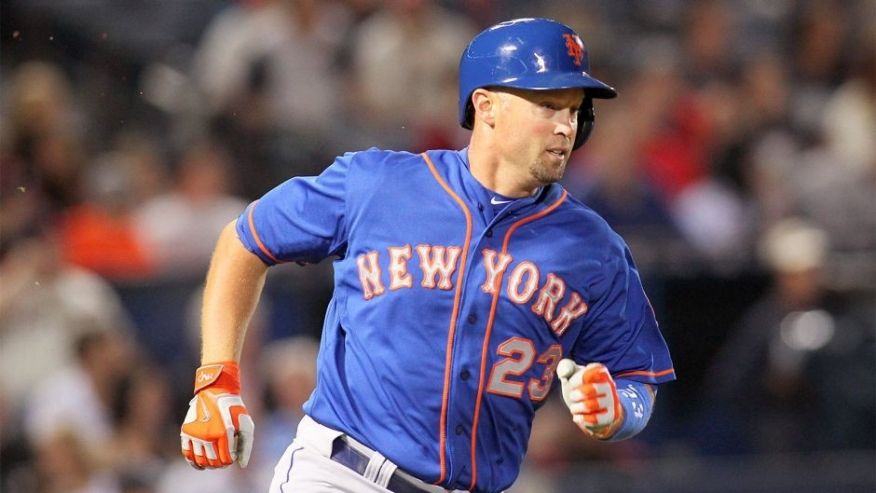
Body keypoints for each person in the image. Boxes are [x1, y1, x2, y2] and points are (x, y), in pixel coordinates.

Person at [179, 18, 675, 493]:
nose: (566, 126)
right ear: (487, 106)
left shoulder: (595, 248)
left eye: (574, 110)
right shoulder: (377, 185)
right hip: (341, 476)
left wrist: (616, 410)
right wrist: (216, 380)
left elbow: (636, 379)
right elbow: (244, 242)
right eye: (548, 105)